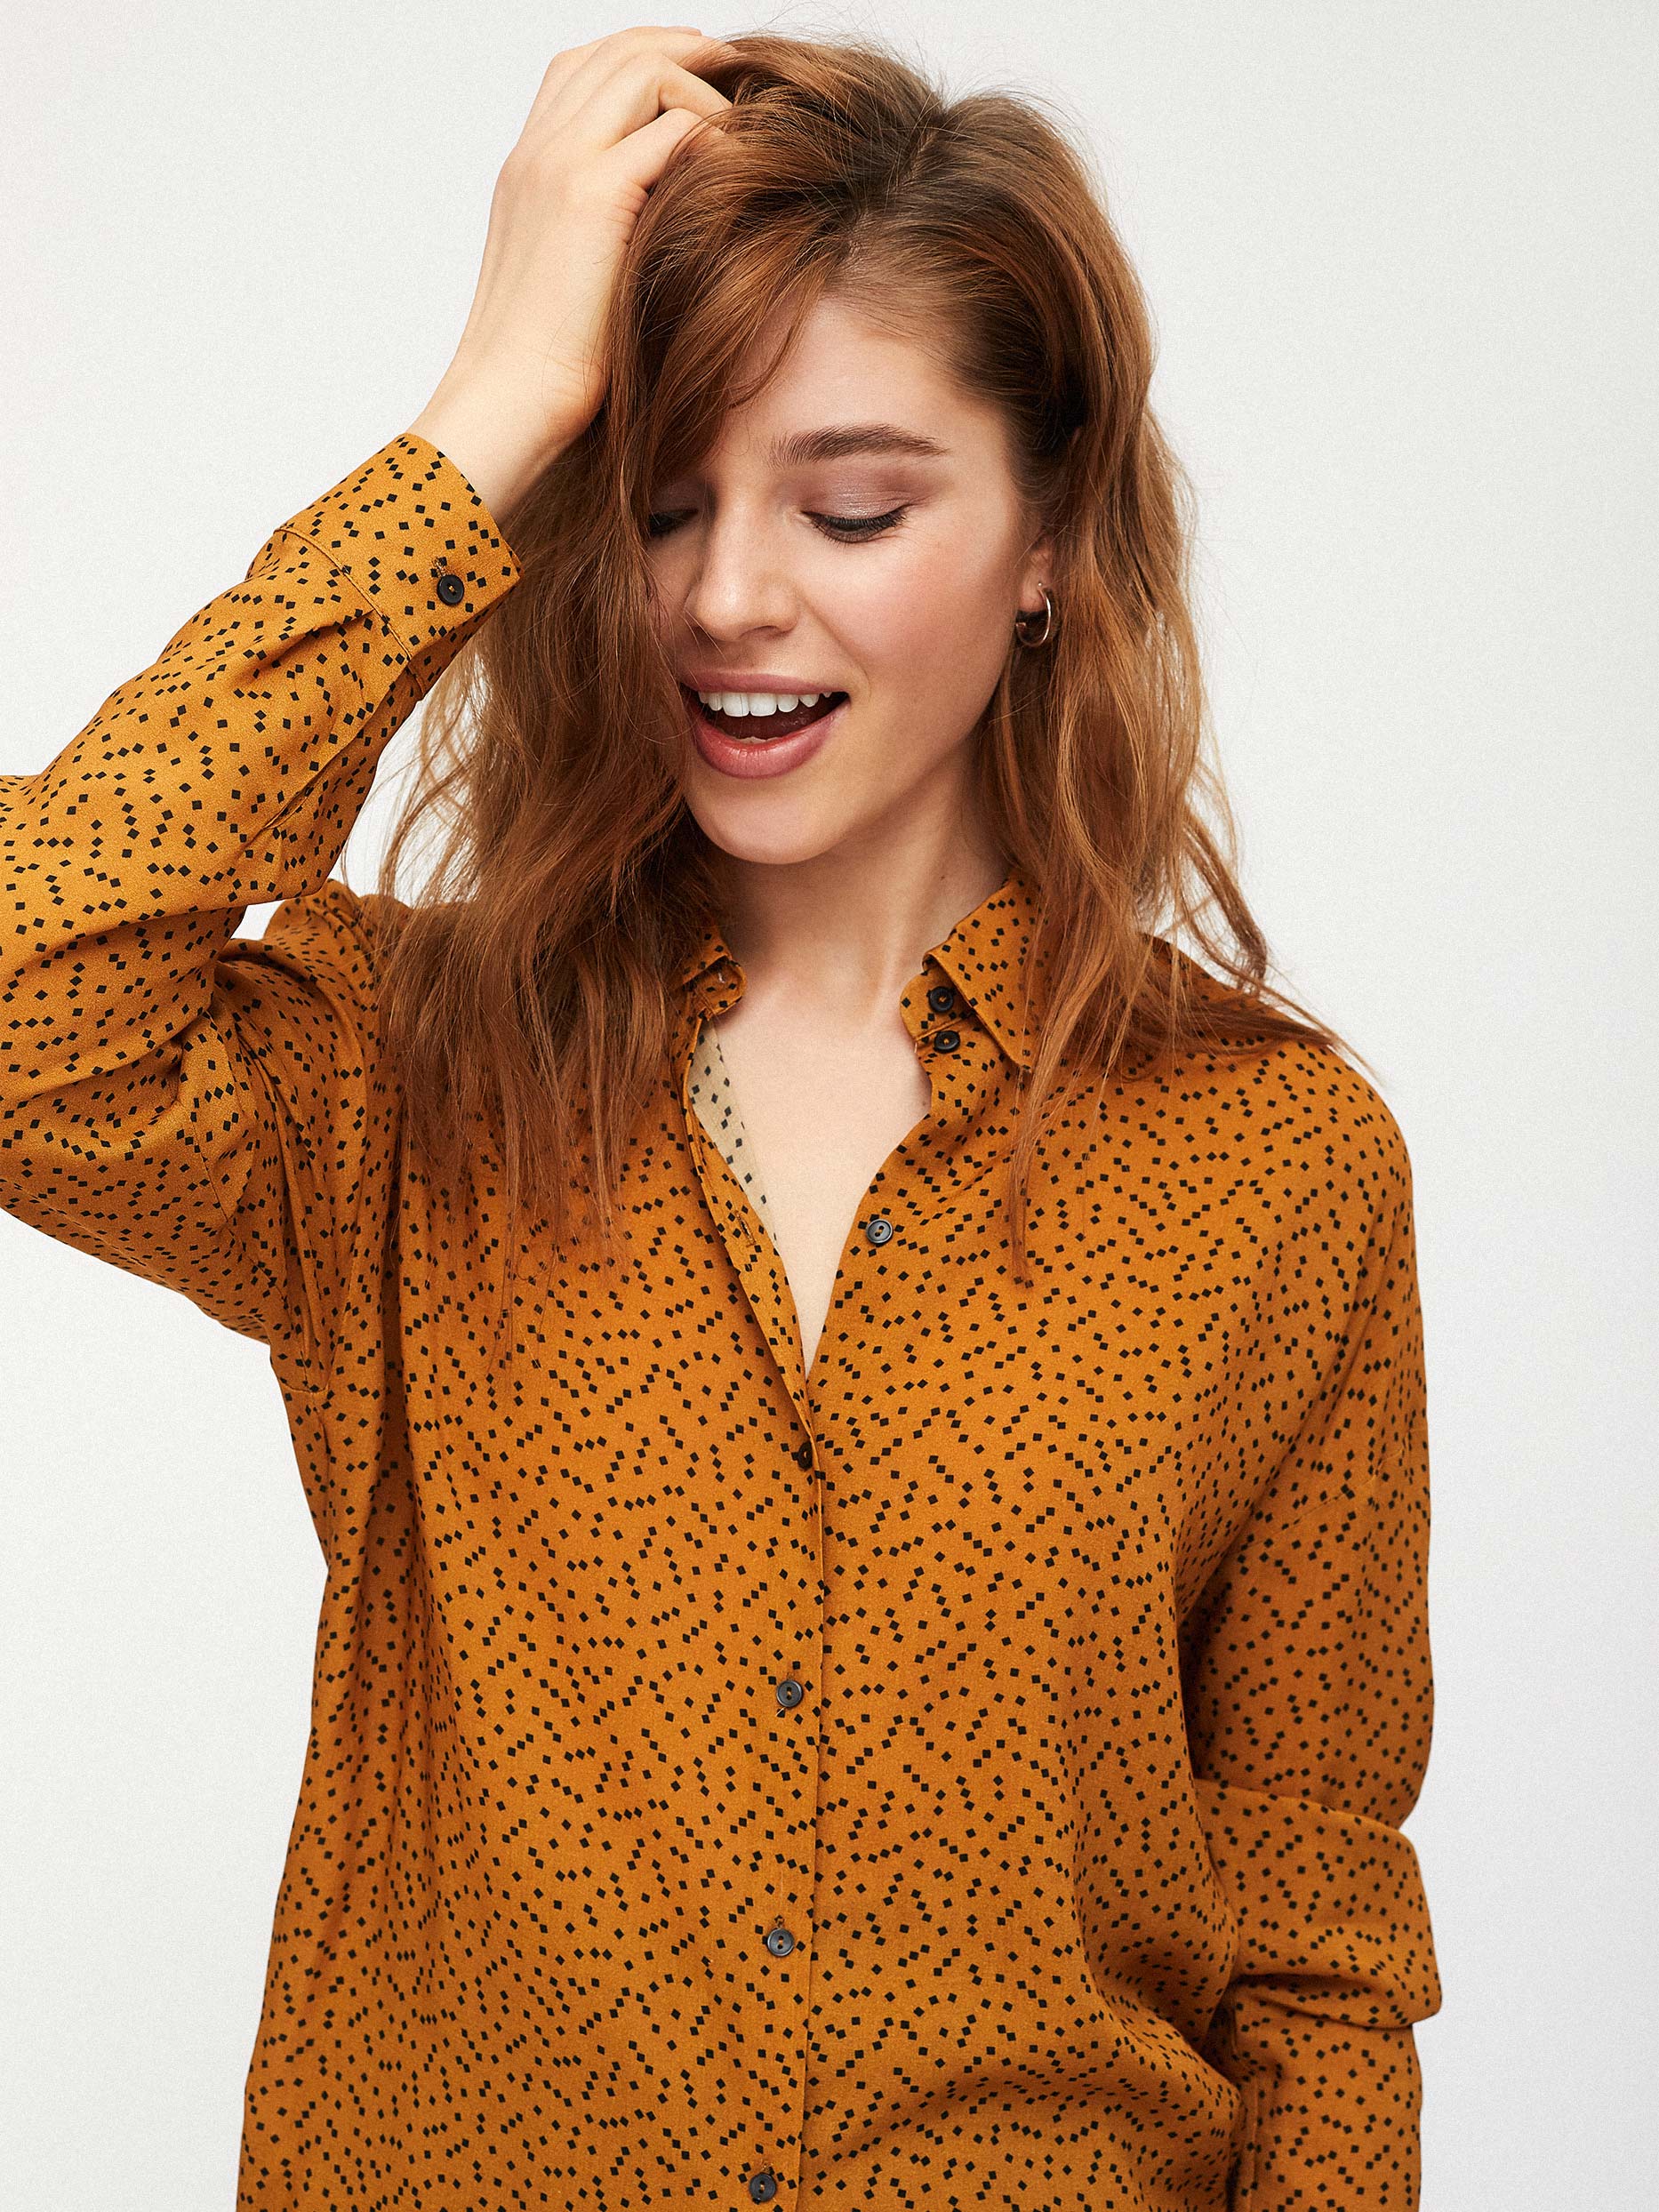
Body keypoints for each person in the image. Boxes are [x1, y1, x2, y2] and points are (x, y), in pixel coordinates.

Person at [0, 24, 1442, 2209]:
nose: (723, 594)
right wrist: (491, 410)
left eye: (851, 506)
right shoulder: (411, 1069)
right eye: (661, 500)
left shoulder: (1273, 1159)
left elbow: (1314, 1931)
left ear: (1050, 537)